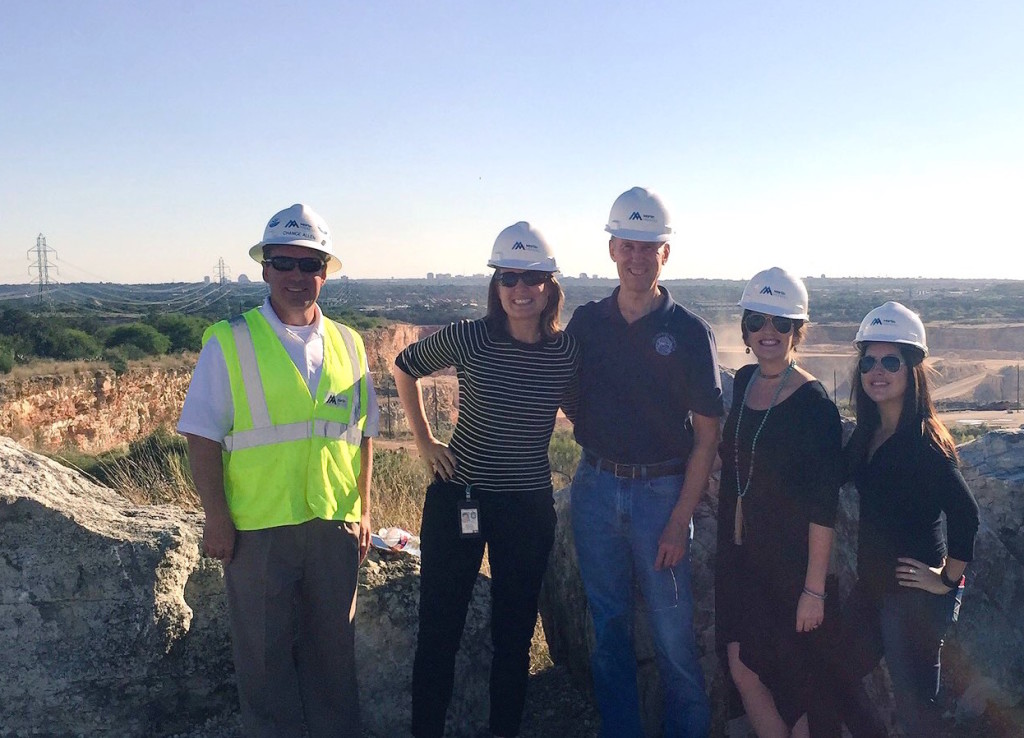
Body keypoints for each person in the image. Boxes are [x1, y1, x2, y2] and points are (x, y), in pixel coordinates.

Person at [178, 203, 378, 738]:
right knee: (264, 667)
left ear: (325, 273)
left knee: (335, 661)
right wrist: (215, 517)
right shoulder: (230, 341)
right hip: (257, 528)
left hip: (334, 526)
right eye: (283, 263)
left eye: (309, 264)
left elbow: (361, 439)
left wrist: (362, 510)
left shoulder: (350, 344)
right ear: (264, 268)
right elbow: (201, 435)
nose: (297, 276)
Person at [394, 222, 579, 738]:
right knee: (438, 633)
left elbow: (586, 410)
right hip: (461, 499)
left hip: (526, 506)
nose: (521, 290)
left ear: (551, 287)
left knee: (514, 637)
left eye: (533, 279)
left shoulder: (565, 352)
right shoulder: (471, 336)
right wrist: (425, 440)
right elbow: (405, 366)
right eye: (509, 278)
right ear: (497, 287)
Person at [567, 187, 722, 738]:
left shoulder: (688, 332)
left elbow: (707, 436)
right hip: (594, 490)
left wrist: (680, 520)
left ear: (665, 254)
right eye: (627, 246)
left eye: (648, 247)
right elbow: (566, 395)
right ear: (611, 249)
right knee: (608, 631)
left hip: (662, 497)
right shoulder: (586, 324)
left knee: (674, 640)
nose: (637, 258)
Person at [829, 301, 981, 737]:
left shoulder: (924, 441)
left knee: (917, 712)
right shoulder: (869, 433)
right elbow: (828, 478)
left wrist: (947, 581)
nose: (877, 371)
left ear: (912, 368)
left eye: (890, 361)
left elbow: (966, 515)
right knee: (835, 676)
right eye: (869, 361)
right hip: (873, 588)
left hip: (912, 598)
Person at [715, 267, 842, 738]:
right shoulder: (746, 381)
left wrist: (814, 591)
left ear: (798, 332)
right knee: (742, 666)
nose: (767, 333)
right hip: (743, 561)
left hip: (790, 570)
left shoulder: (816, 408)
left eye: (781, 323)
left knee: (800, 685)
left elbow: (822, 507)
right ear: (745, 329)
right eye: (756, 321)